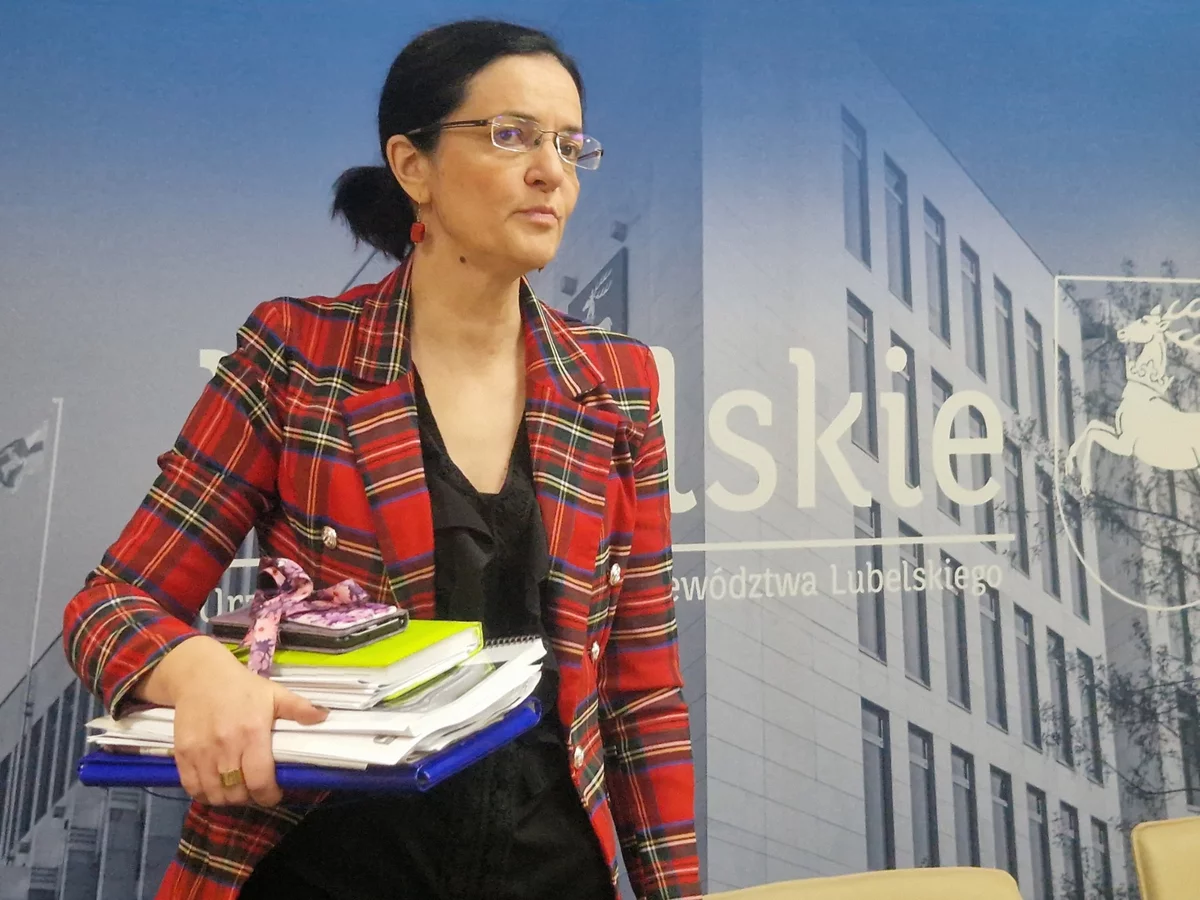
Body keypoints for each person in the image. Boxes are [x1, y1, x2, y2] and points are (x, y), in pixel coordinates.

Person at [61, 17, 700, 900]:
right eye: (510, 135)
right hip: (327, 862)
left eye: (568, 145)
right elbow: (109, 605)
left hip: (552, 868)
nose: (550, 171)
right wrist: (195, 669)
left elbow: (642, 694)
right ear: (412, 166)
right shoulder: (298, 354)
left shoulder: (616, 383)